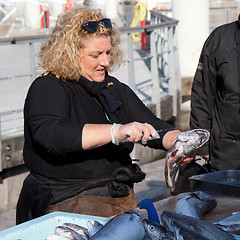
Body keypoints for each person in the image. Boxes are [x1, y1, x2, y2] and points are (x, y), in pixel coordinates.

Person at [16, 7, 182, 224]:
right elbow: (52, 135)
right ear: (70, 53)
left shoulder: (112, 87)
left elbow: (152, 125)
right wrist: (116, 132)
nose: (105, 62)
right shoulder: (48, 87)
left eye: (108, 52)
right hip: (66, 203)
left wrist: (179, 141)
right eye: (96, 55)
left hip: (117, 200)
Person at [190, 14, 240, 171]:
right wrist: (202, 145)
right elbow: (202, 92)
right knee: (226, 195)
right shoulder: (219, 39)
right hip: (226, 149)